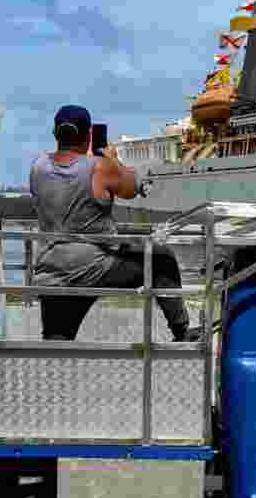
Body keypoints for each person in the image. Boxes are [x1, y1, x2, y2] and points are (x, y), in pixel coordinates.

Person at [29, 105, 199, 342]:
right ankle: (182, 332)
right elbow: (130, 188)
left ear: (55, 133)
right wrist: (111, 159)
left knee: (57, 341)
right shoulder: (99, 166)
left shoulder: (38, 167)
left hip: (51, 270)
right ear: (88, 135)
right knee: (161, 259)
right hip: (96, 265)